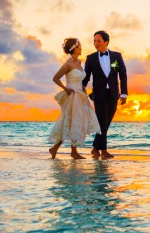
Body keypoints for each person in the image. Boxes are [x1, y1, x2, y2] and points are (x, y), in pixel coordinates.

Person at [49, 38, 101, 159]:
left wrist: (82, 86)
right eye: (80, 46)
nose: (82, 48)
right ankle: (68, 150)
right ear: (75, 48)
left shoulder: (79, 62)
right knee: (70, 122)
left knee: (76, 123)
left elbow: (79, 78)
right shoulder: (68, 64)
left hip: (81, 95)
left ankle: (61, 149)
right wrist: (65, 88)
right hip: (72, 96)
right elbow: (55, 78)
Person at [82, 30, 128, 159]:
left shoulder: (116, 56)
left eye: (98, 41)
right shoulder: (90, 58)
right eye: (94, 41)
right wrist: (79, 88)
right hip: (99, 95)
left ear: (106, 42)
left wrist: (124, 94)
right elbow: (86, 77)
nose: (95, 43)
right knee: (102, 122)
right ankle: (103, 151)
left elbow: (122, 74)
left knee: (107, 122)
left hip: (113, 94)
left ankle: (95, 148)